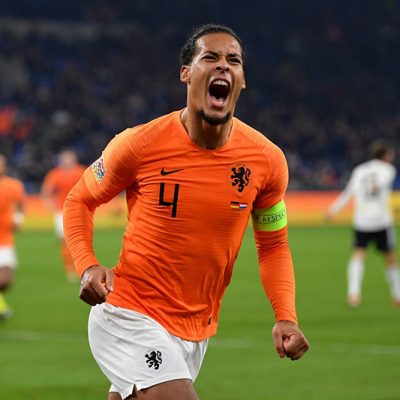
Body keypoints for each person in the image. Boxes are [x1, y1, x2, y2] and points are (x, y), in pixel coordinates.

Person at [63, 24, 309, 400]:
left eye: (233, 60)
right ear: (186, 73)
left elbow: (273, 247)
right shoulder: (139, 145)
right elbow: (79, 200)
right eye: (210, 57)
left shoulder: (267, 161)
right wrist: (87, 265)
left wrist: (286, 316)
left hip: (195, 331)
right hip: (129, 313)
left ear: (242, 80)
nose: (223, 66)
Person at [326, 139, 400, 307]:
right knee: (390, 258)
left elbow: (348, 193)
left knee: (358, 255)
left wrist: (332, 211)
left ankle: (353, 294)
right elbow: (379, 185)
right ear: (385, 155)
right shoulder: (389, 170)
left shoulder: (359, 170)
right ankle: (397, 295)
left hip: (362, 221)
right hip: (382, 221)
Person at [41, 149, 85, 282]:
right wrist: (50, 205)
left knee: (80, 240)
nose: (67, 161)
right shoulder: (55, 174)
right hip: (61, 211)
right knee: (64, 240)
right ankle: (69, 269)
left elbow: (90, 187)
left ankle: (81, 268)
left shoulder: (80, 171)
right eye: (64, 158)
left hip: (78, 210)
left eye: (69, 158)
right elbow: (46, 192)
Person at [0, 153, 25, 320]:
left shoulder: (13, 185)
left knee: (6, 281)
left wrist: (19, 218)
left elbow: (21, 203)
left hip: (5, 239)